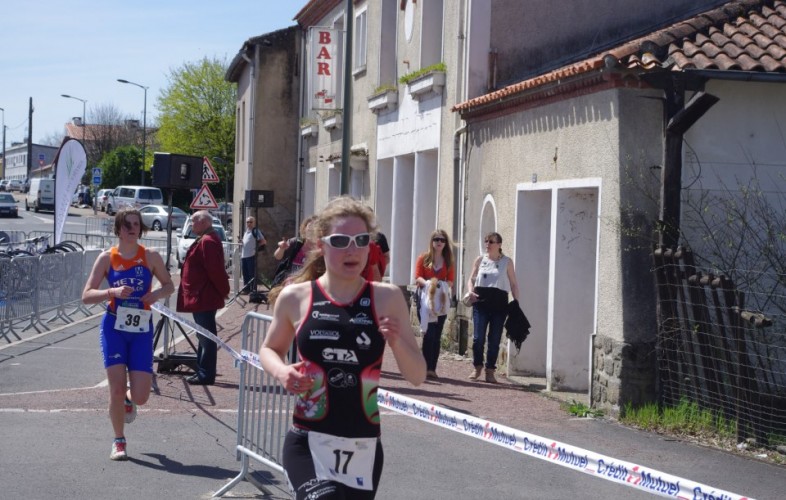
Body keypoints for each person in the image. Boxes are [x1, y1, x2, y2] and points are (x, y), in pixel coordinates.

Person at [259, 196, 426, 499]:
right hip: (308, 441)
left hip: (363, 446)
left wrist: (397, 341)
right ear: (321, 246)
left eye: (361, 240)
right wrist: (283, 372)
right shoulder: (295, 297)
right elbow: (269, 350)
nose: (352, 249)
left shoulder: (386, 297)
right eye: (340, 240)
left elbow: (417, 375)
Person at [81, 207, 175, 461]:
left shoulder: (151, 256)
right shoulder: (106, 258)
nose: (133, 229)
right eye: (128, 225)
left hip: (141, 330)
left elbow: (169, 285)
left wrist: (156, 294)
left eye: (136, 224)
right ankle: (119, 440)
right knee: (116, 388)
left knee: (142, 396)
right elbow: (86, 295)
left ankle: (129, 401)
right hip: (114, 328)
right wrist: (110, 292)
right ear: (119, 229)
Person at [177, 210, 230, 386]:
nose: (192, 225)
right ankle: (201, 370)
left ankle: (206, 374)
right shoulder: (205, 239)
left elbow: (215, 270)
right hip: (200, 295)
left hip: (203, 296)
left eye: (194, 222)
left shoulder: (208, 241)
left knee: (207, 337)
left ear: (204, 223)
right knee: (203, 336)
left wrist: (224, 290)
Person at [464, 231, 520, 384]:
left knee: (494, 339)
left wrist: (516, 303)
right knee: (477, 338)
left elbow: (514, 284)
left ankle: (490, 371)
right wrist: (470, 291)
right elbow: (471, 279)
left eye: (491, 242)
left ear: (499, 245)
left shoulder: (507, 262)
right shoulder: (480, 260)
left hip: (499, 304)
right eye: (486, 241)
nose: (487, 244)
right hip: (480, 302)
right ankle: (477, 367)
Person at [414, 229, 455, 380]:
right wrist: (428, 283)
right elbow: (417, 277)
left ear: (445, 243)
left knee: (436, 336)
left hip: (441, 301)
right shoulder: (423, 258)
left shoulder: (448, 261)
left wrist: (440, 285)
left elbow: (451, 281)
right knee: (428, 334)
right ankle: (424, 367)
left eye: (442, 240)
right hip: (424, 300)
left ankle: (432, 368)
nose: (439, 242)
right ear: (432, 241)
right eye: (436, 239)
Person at [273, 215, 316, 285]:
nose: (312, 230)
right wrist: (281, 248)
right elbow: (277, 256)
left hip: (310, 285)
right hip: (291, 284)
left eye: (315, 228)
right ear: (304, 229)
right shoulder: (296, 242)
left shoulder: (322, 246)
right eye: (310, 228)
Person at [240, 216, 266, 292]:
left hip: (251, 255)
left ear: (254, 223)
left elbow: (263, 241)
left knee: (251, 274)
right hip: (244, 255)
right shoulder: (246, 232)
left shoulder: (255, 231)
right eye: (247, 222)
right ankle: (246, 289)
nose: (249, 223)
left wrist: (256, 249)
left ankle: (253, 289)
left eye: (251, 222)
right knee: (245, 274)